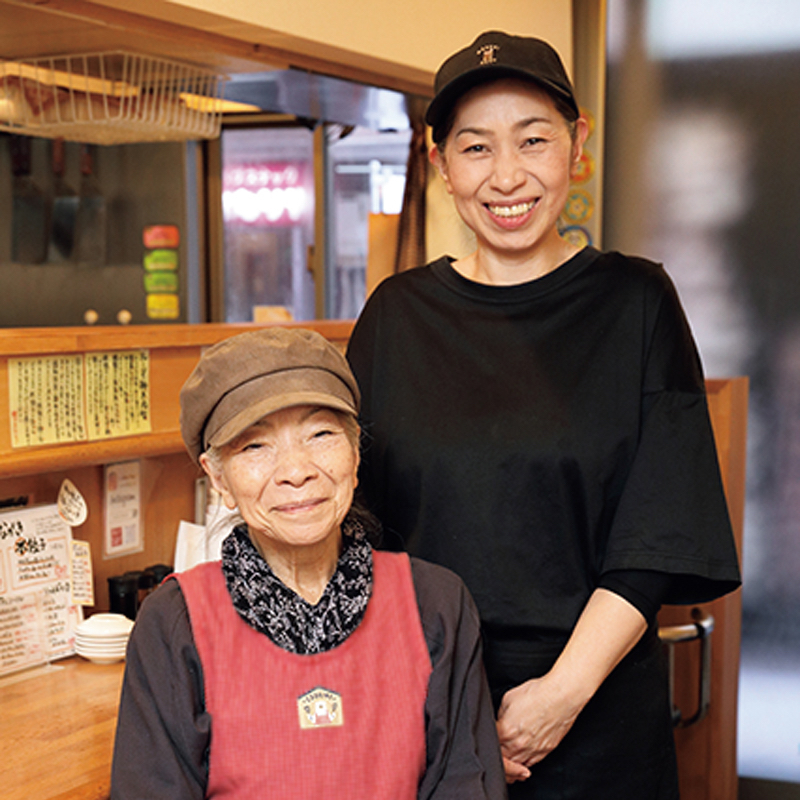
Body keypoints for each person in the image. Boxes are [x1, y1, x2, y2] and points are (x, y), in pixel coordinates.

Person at [346, 30, 742, 799]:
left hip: (596, 718)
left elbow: (658, 533)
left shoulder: (637, 303)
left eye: (533, 140)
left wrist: (559, 696)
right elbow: (357, 526)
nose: (507, 176)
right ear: (440, 166)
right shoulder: (397, 316)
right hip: (429, 717)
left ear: (576, 144)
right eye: (475, 148)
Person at [110, 327, 506, 800]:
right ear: (218, 478)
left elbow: (466, 784)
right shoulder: (175, 623)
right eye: (255, 446)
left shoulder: (437, 605)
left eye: (320, 434)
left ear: (356, 454)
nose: (296, 471)